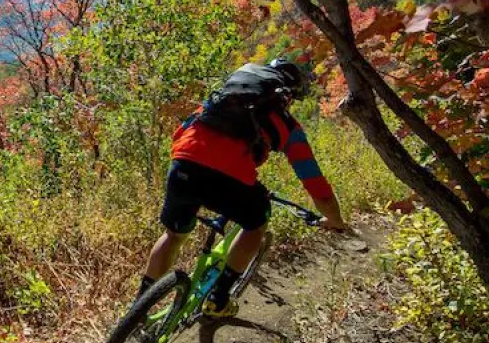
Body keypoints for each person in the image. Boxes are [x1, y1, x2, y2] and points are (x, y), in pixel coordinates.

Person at [138, 57, 348, 319]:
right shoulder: (288, 126)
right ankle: (218, 300)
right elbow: (316, 186)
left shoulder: (218, 103)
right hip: (231, 182)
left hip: (183, 165)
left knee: (173, 236)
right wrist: (335, 220)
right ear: (286, 95)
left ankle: (138, 309)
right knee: (256, 224)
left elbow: (179, 134)